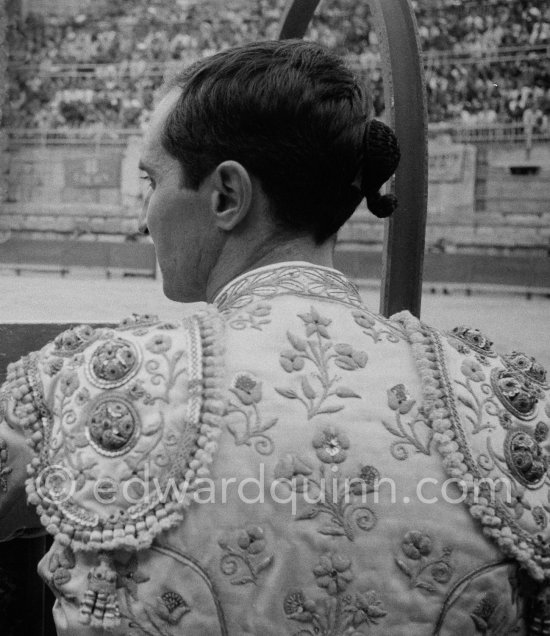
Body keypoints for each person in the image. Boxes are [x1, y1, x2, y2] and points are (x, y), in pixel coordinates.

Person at [1, 40, 549, 635]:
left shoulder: (99, 379)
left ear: (227, 196)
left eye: (150, 180)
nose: (144, 216)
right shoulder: (502, 400)